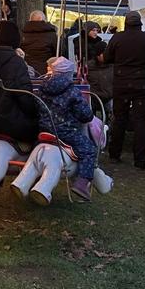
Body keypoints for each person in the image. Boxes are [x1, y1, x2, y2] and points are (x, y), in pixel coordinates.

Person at [103, 10, 145, 169]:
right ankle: (140, 160)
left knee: (119, 119)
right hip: (142, 84)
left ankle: (114, 154)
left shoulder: (117, 38)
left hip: (121, 83)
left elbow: (107, 58)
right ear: (140, 23)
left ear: (126, 22)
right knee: (140, 121)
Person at [38, 56, 97, 200]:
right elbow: (85, 115)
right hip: (64, 131)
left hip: (43, 128)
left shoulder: (43, 87)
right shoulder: (72, 91)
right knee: (88, 149)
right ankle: (82, 183)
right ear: (69, 74)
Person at [21, 10, 58, 75]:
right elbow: (58, 52)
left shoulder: (22, 34)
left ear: (30, 20)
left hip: (27, 70)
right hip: (46, 71)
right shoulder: (52, 35)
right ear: (43, 20)